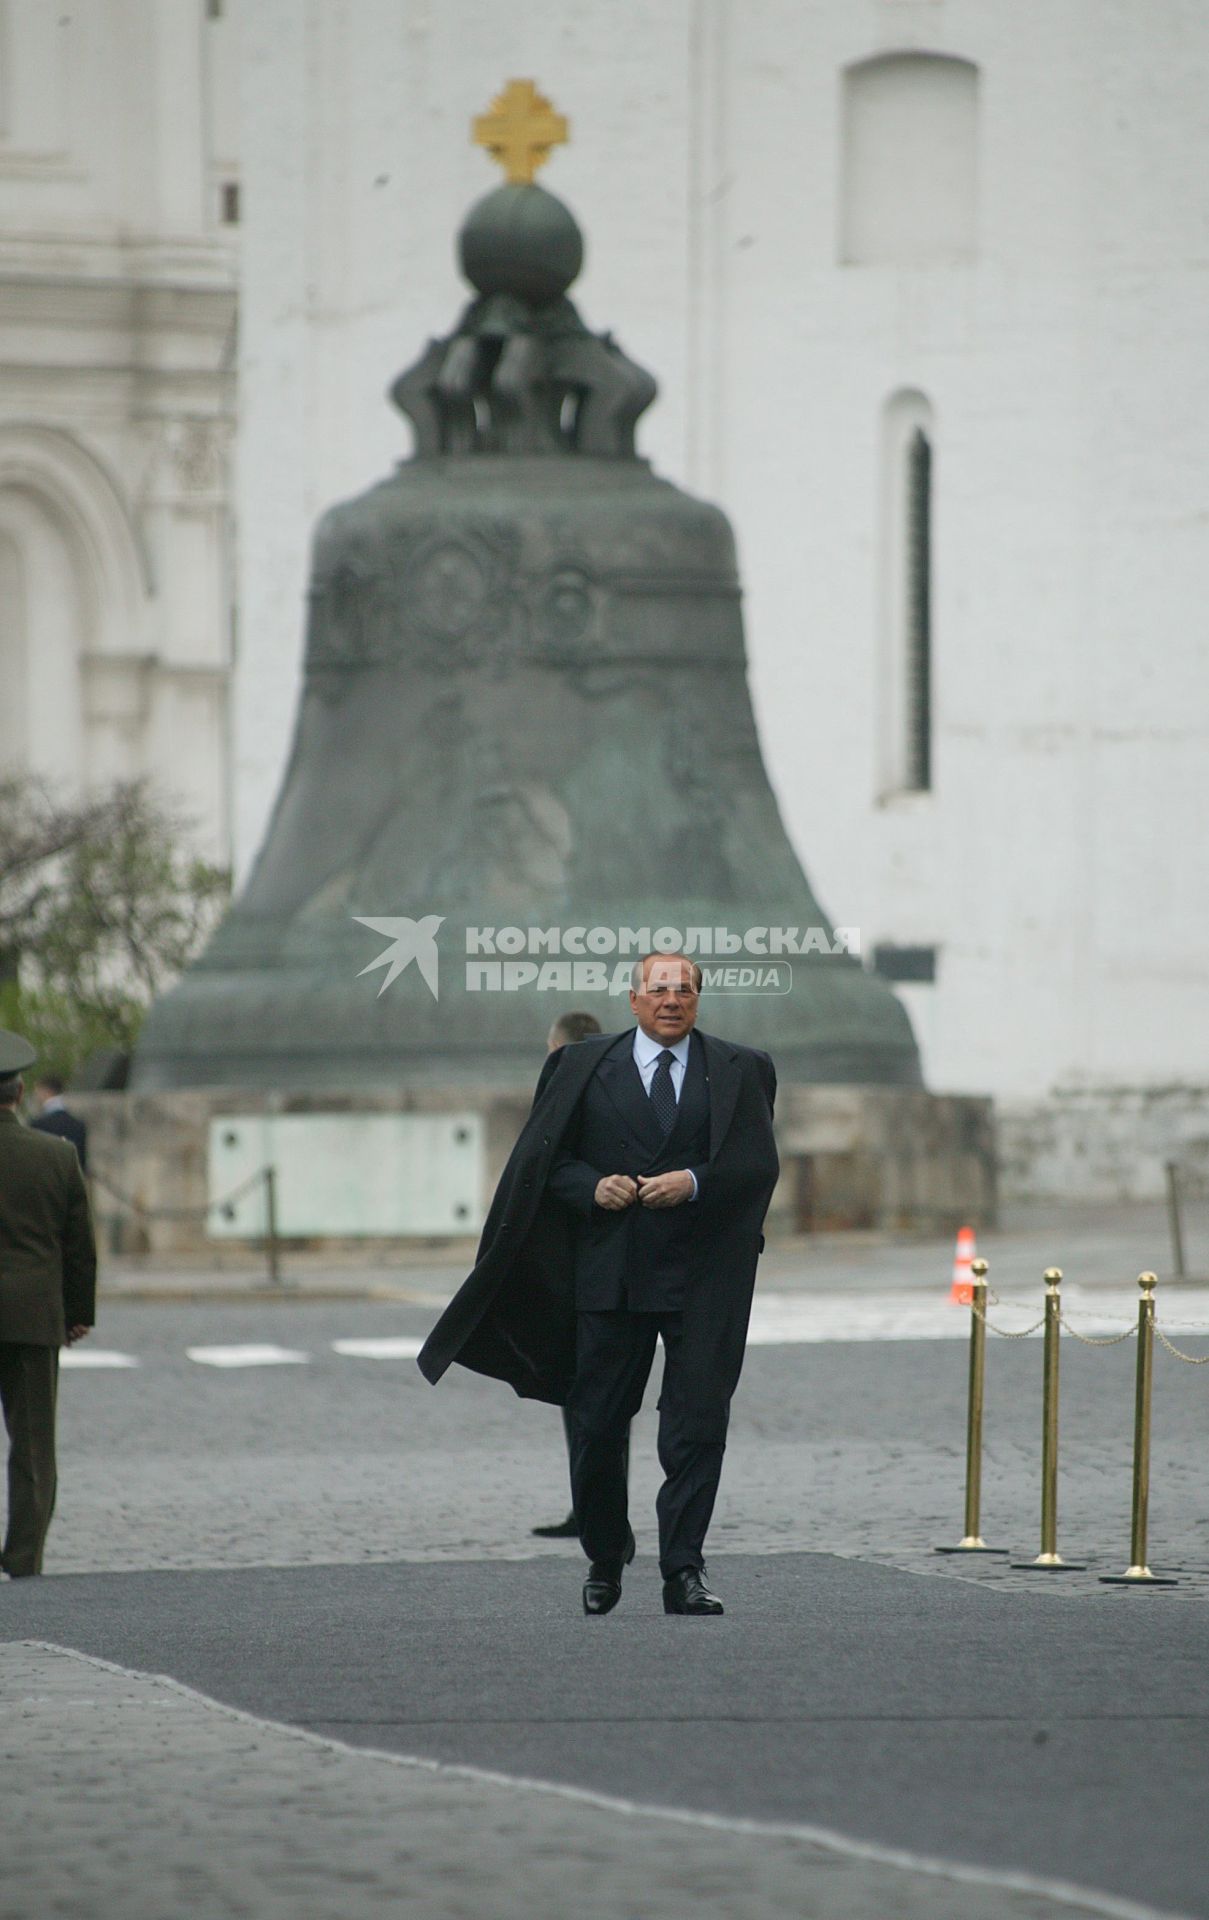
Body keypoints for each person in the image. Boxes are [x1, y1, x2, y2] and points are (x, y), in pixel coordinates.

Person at [419, 952, 778, 1616]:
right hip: (610, 1274)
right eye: (658, 989)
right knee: (597, 1424)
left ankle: (684, 1570)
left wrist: (694, 1182)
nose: (670, 1000)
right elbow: (542, 1164)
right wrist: (593, 1187)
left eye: (683, 990)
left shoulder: (740, 1068)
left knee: (695, 1425)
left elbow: (756, 1165)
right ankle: (604, 1557)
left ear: (698, 999)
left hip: (703, 1279)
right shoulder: (580, 1066)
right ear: (633, 1000)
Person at [0, 1030, 96, 1578]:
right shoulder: (56, 1155)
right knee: (34, 1445)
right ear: (19, 1094)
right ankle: (24, 1554)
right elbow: (79, 1246)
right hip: (34, 1315)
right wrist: (77, 1312)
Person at [531, 1009, 611, 1541]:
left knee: (591, 1397)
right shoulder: (619, 1087)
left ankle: (596, 1512)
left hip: (580, 1265)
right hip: (604, 1264)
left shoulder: (564, 1086)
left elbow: (545, 1168)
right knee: (596, 1398)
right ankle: (594, 1509)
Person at [30, 1073, 88, 1172]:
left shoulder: (37, 1124)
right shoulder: (78, 1124)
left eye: (37, 1091)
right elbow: (81, 1163)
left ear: (45, 1091)